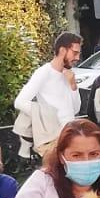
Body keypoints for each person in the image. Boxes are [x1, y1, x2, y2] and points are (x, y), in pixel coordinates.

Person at [14, 31, 84, 160]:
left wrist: (73, 86)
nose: (77, 58)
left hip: (70, 136)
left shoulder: (68, 74)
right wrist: (47, 114)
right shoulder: (44, 72)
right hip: (53, 140)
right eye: (75, 53)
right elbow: (19, 102)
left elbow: (76, 109)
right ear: (63, 50)